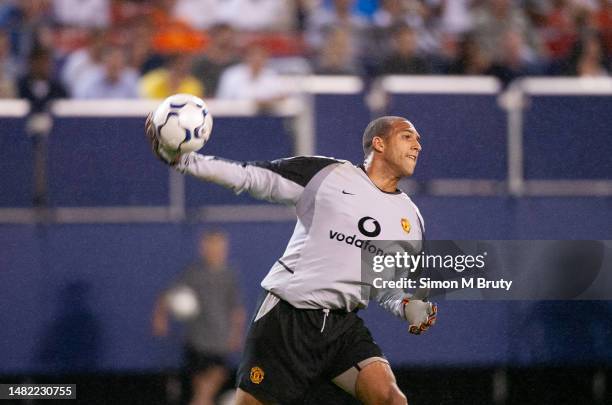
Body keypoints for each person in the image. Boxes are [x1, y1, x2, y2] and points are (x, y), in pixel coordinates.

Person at [146, 115, 438, 404]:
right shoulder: (329, 175)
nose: (417, 146)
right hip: (288, 317)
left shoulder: (411, 219)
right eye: (407, 136)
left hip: (341, 326)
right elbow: (253, 176)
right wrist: (186, 161)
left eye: (419, 140)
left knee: (391, 399)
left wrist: (405, 305)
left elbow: (383, 286)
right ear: (379, 143)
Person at [153, 230, 246, 405]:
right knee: (203, 391)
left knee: (206, 390)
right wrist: (160, 317)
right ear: (203, 248)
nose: (216, 250)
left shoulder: (229, 275)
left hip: (220, 342)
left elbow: (237, 310)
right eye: (211, 246)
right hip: (197, 342)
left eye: (219, 246)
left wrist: (236, 335)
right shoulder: (193, 273)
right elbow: (168, 295)